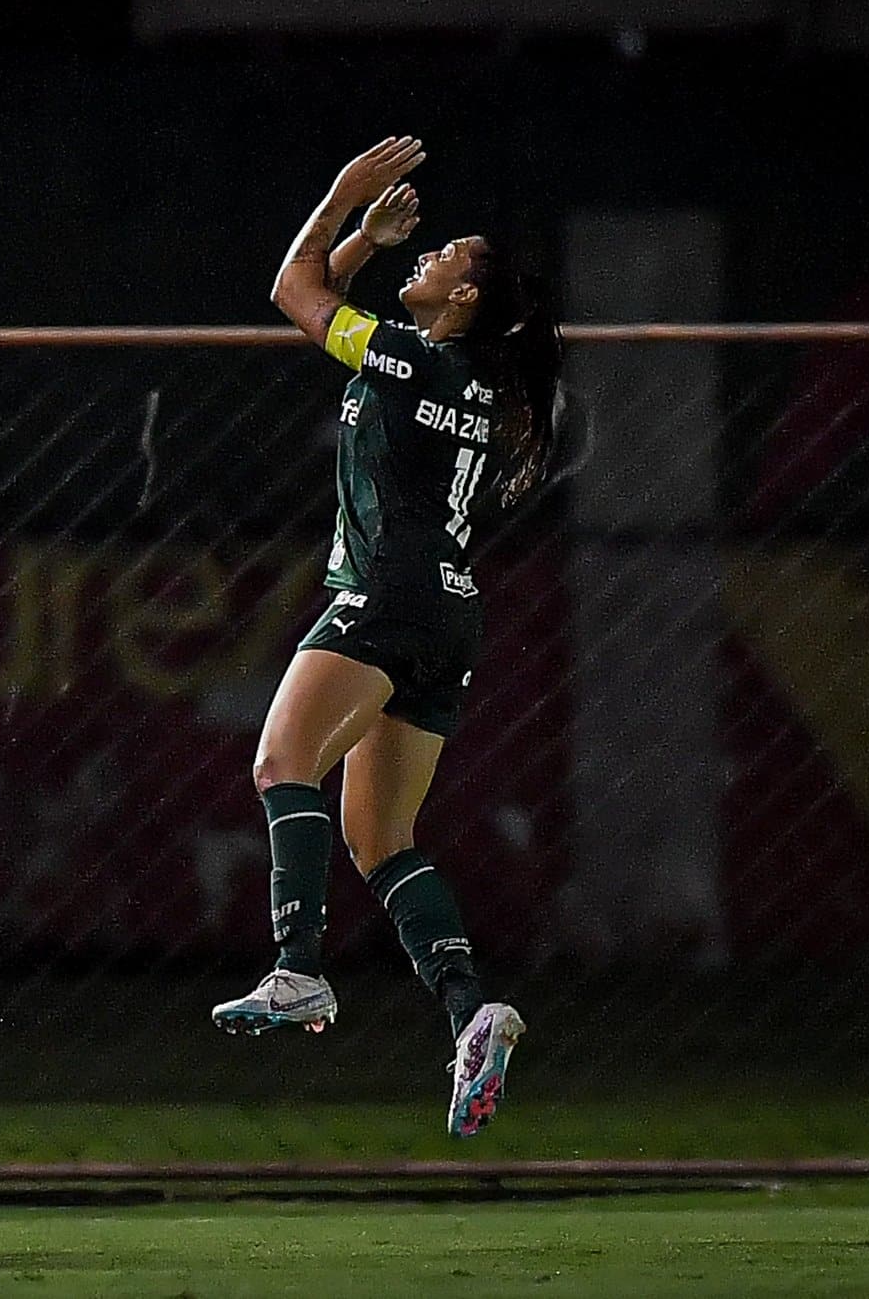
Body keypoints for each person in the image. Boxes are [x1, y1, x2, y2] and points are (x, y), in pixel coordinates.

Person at [210, 138, 567, 1137]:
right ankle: (470, 1012)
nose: (430, 258)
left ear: (459, 302)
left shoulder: (411, 356)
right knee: (379, 838)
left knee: (282, 760)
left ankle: (295, 971)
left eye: (447, 255)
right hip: (447, 614)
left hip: (385, 593)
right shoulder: (471, 379)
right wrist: (369, 242)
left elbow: (293, 287)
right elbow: (332, 298)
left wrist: (339, 202)